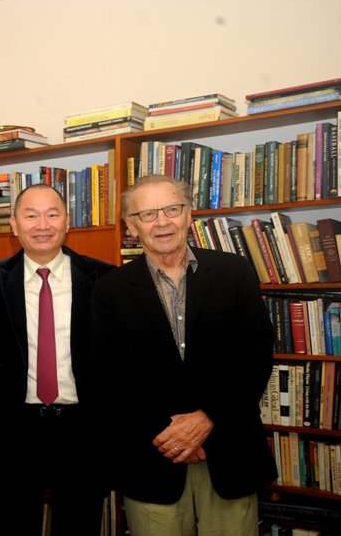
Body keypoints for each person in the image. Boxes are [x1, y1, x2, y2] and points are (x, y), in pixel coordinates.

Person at [90, 175, 275, 536]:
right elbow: (107, 377)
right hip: (153, 454)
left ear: (189, 215)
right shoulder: (109, 289)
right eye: (147, 214)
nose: (161, 222)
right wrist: (172, 436)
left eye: (172, 209)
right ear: (131, 225)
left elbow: (255, 357)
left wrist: (207, 418)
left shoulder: (232, 272)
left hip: (229, 448)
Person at [0, 183, 115, 535]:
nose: (42, 225)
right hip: (14, 427)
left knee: (79, 524)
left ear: (67, 221)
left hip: (82, 427)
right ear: (14, 224)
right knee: (13, 524)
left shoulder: (104, 278)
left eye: (52, 214)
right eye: (31, 215)